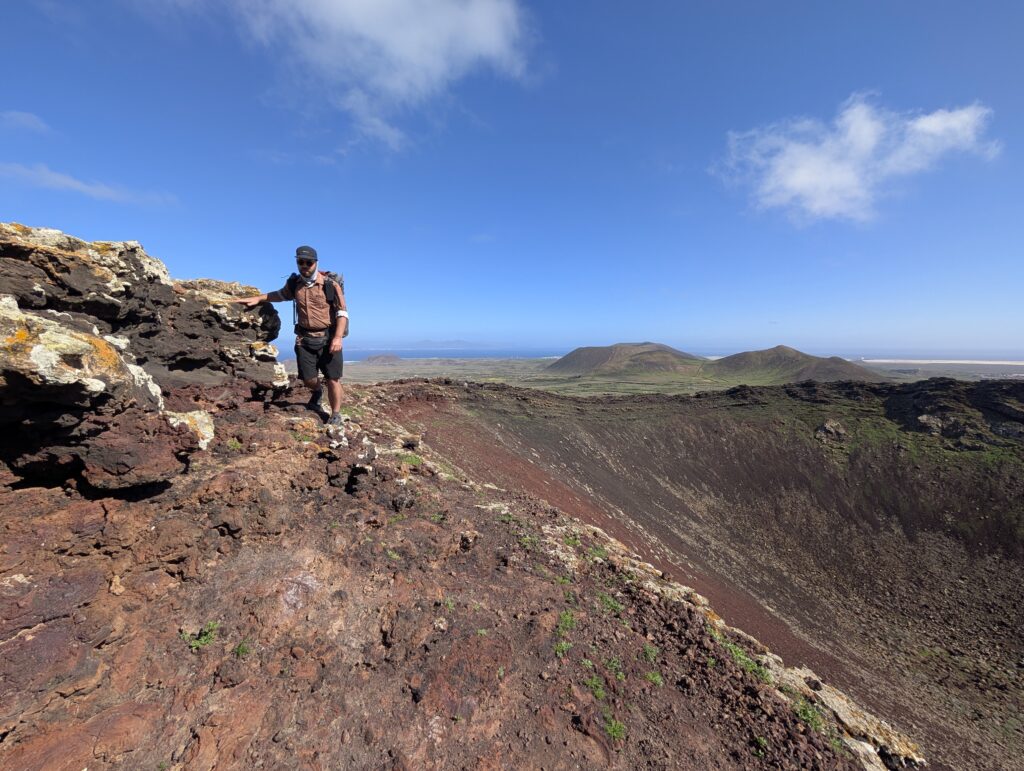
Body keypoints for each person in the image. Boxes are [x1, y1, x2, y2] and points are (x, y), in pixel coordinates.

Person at [236, 245, 349, 426]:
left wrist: (337, 338)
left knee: (333, 378)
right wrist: (259, 298)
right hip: (305, 339)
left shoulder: (330, 285)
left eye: (308, 262)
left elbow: (342, 313)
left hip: (328, 339)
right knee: (308, 379)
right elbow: (281, 295)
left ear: (316, 263)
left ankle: (335, 414)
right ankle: (317, 391)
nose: (304, 266)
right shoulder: (295, 284)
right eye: (300, 262)